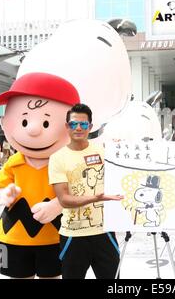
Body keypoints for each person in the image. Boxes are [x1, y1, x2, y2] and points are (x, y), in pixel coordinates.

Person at [0, 72, 81, 279]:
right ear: (4, 123)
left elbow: (78, 192)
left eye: (46, 123)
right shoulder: (13, 163)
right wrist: (5, 195)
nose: (33, 130)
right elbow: (0, 189)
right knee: (16, 275)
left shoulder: (66, 163)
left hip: (54, 234)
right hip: (13, 235)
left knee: (52, 276)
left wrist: (56, 205)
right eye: (24, 122)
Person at [49, 103, 124, 279]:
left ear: (90, 127)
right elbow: (64, 199)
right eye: (74, 124)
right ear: (67, 126)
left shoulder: (104, 151)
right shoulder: (57, 158)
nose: (79, 128)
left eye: (83, 124)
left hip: (104, 233)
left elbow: (124, 173)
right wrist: (94, 198)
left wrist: (122, 151)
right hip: (73, 235)